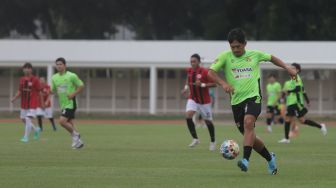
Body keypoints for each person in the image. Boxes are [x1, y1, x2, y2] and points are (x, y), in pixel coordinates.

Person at [208, 28, 297, 175]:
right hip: (236, 102)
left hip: (253, 97)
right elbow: (210, 72)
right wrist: (223, 84)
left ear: (245, 44)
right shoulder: (225, 57)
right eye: (233, 47)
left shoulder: (254, 55)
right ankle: (270, 159)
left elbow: (271, 58)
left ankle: (245, 160)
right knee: (251, 137)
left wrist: (287, 67)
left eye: (238, 46)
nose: (236, 49)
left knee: (249, 123)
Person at [278, 63, 327, 144]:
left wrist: (289, 92)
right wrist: (282, 98)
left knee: (298, 120)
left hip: (296, 103)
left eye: (293, 68)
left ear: (297, 70)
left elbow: (298, 89)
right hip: (290, 102)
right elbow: (302, 90)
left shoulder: (296, 77)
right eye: (291, 68)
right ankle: (287, 139)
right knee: (293, 120)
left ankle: (321, 126)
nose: (291, 69)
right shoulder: (291, 80)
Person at [181, 53, 217, 151]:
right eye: (191, 61)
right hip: (193, 98)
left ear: (199, 62)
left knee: (208, 122)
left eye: (194, 61)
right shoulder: (189, 71)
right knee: (188, 115)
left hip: (204, 102)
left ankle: (213, 141)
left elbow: (214, 84)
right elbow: (188, 82)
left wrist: (202, 85)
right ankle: (195, 139)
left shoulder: (205, 72)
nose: (192, 63)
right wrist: (185, 88)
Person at [51, 57, 84, 149]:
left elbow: (81, 86)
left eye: (60, 64)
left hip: (71, 103)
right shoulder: (54, 77)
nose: (59, 66)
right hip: (63, 104)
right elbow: (53, 90)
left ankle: (76, 135)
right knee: (70, 123)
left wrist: (73, 94)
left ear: (65, 65)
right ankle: (79, 143)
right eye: (57, 64)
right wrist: (46, 93)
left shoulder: (71, 76)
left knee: (62, 121)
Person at [11, 62, 42, 142]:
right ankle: (36, 130)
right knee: (23, 119)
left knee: (28, 119)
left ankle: (26, 137)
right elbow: (20, 91)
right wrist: (14, 98)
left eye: (28, 68)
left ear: (31, 70)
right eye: (25, 68)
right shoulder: (22, 79)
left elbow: (39, 91)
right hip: (24, 104)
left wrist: (42, 103)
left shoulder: (35, 79)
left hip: (32, 104)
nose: (26, 70)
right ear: (23, 70)